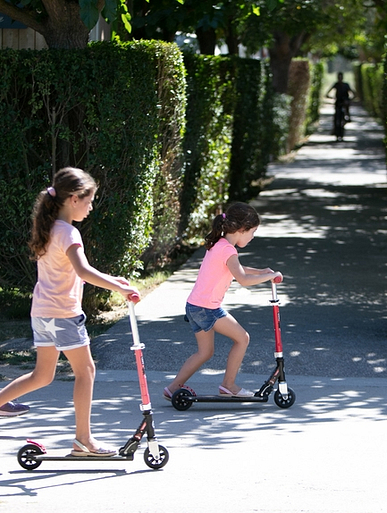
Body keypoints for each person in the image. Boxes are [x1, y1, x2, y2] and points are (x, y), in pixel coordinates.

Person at [0, 167, 139, 457]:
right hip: (63, 313)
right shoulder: (69, 232)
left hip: (42, 312)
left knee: (42, 375)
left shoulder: (49, 227)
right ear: (73, 199)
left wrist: (115, 281)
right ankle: (83, 441)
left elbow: (78, 269)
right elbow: (83, 271)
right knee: (86, 371)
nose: (90, 208)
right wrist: (121, 289)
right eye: (88, 201)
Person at [164, 202, 283, 400]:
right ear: (241, 229)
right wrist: (272, 275)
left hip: (195, 306)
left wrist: (262, 272)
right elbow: (243, 279)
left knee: (205, 352)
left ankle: (173, 388)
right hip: (207, 309)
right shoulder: (228, 251)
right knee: (242, 338)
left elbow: (237, 269)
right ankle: (228, 385)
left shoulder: (220, 245)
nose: (252, 237)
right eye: (252, 232)